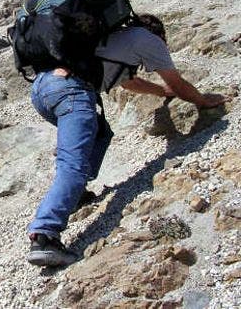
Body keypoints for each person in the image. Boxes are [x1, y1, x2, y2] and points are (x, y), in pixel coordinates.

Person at [27, 14, 229, 267]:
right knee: (74, 164)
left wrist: (160, 92)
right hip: (71, 92)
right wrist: (203, 101)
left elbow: (129, 83)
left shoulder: (115, 40)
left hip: (43, 89)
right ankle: (44, 236)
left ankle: (73, 194)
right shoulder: (148, 40)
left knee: (101, 134)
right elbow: (176, 82)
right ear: (159, 35)